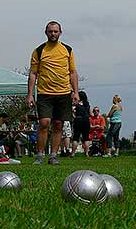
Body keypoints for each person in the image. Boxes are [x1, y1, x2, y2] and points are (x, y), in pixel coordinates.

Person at [26, 20, 79, 165]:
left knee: (58, 124)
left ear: (60, 33)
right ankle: (40, 155)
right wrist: (30, 94)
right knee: (44, 122)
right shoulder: (39, 50)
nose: (53, 34)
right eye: (50, 31)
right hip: (44, 93)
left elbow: (73, 72)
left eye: (56, 31)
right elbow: (33, 74)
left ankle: (53, 155)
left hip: (63, 93)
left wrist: (75, 92)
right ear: (46, 33)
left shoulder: (67, 50)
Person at [71, 90, 91, 157]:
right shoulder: (87, 104)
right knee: (86, 137)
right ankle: (87, 153)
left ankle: (73, 153)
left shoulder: (76, 104)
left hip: (78, 119)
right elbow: (90, 113)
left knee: (76, 136)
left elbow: (72, 111)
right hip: (86, 120)